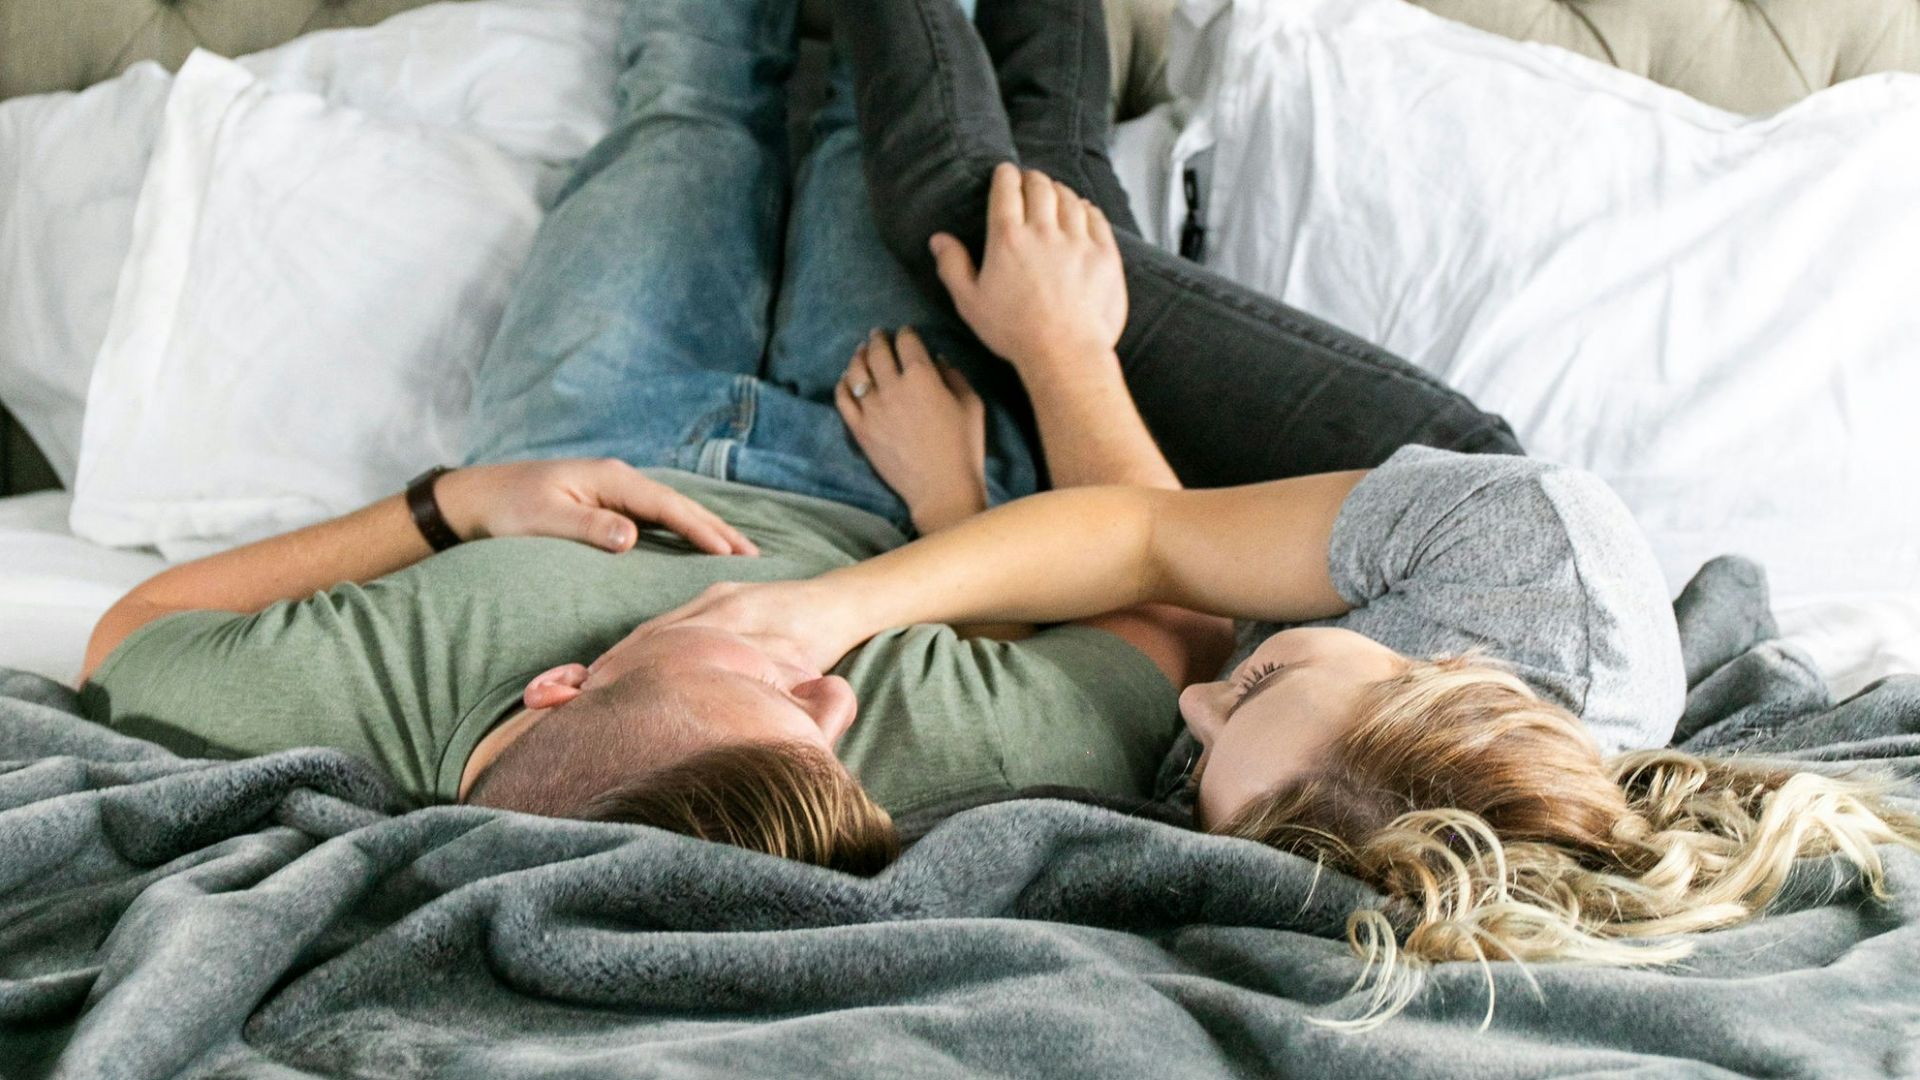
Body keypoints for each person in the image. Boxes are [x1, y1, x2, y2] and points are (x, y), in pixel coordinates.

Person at [631, 0, 1920, 1022]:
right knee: (972, 221)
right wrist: (1040, 370)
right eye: (1262, 681)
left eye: (1213, 765)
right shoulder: (1529, 550)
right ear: (1447, 666)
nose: (1197, 713)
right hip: (1400, 487)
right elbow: (1158, 551)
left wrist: (956, 500)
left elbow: (1189, 648)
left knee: (1065, 187)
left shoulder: (1342, 841)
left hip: (1261, 594)